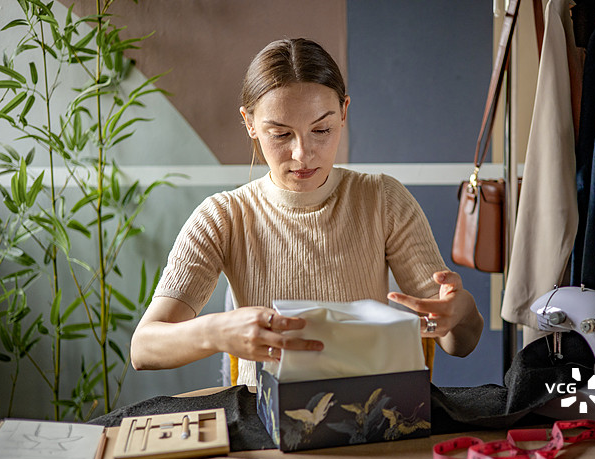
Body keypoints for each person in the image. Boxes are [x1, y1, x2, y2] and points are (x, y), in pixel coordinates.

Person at [130, 38, 484, 386]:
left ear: (343, 112)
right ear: (250, 123)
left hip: (369, 409)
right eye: (280, 134)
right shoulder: (223, 216)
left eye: (321, 129)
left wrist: (461, 310)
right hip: (263, 415)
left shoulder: (383, 199)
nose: (303, 154)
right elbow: (143, 349)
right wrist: (217, 331)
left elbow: (460, 343)